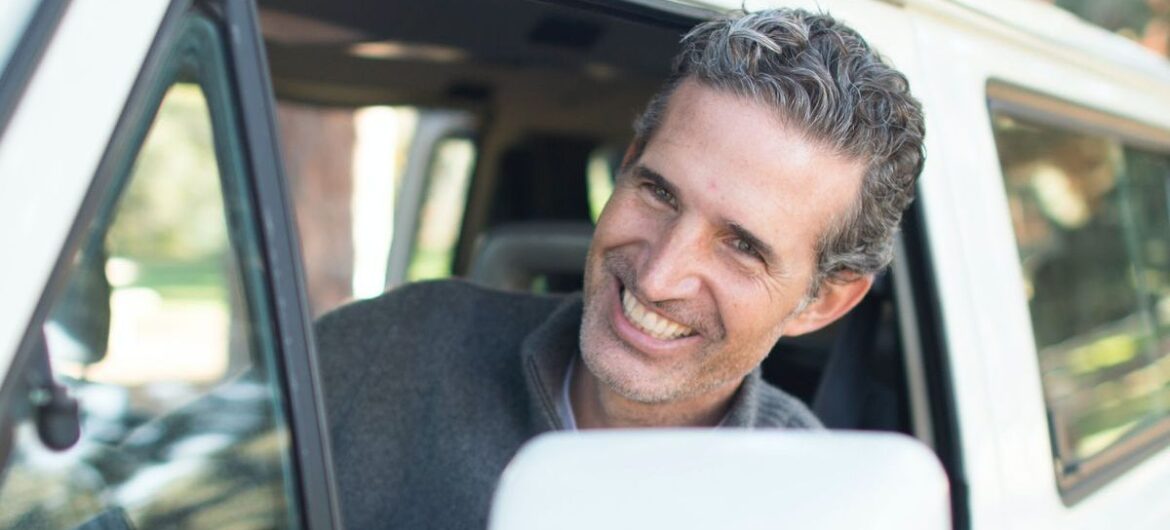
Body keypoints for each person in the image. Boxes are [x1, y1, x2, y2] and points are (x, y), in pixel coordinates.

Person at [315, 8, 924, 529]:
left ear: (823, 303)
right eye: (659, 193)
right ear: (629, 166)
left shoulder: (821, 510)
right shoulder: (397, 346)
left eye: (742, 246)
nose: (657, 278)